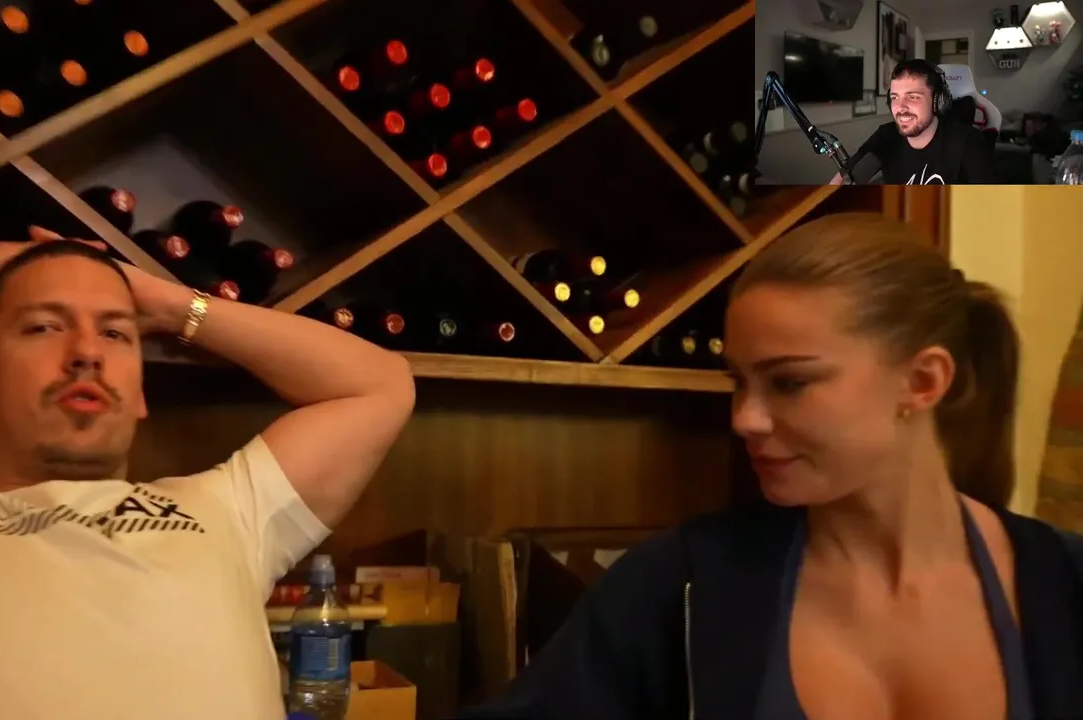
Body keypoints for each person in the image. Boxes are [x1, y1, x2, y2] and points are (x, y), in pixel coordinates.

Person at [452, 213, 1083, 720]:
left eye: (789, 382)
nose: (745, 419)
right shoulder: (677, 587)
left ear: (922, 382)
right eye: (739, 382)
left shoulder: (1067, 583)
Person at [0, 232, 417, 719]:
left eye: (116, 333)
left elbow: (379, 385)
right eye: (43, 326)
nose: (87, 352)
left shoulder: (229, 512)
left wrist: (168, 304)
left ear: (141, 395)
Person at [831, 59, 998, 185]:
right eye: (895, 97)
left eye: (912, 97)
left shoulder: (968, 142)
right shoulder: (886, 136)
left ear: (938, 102)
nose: (900, 107)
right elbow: (843, 179)